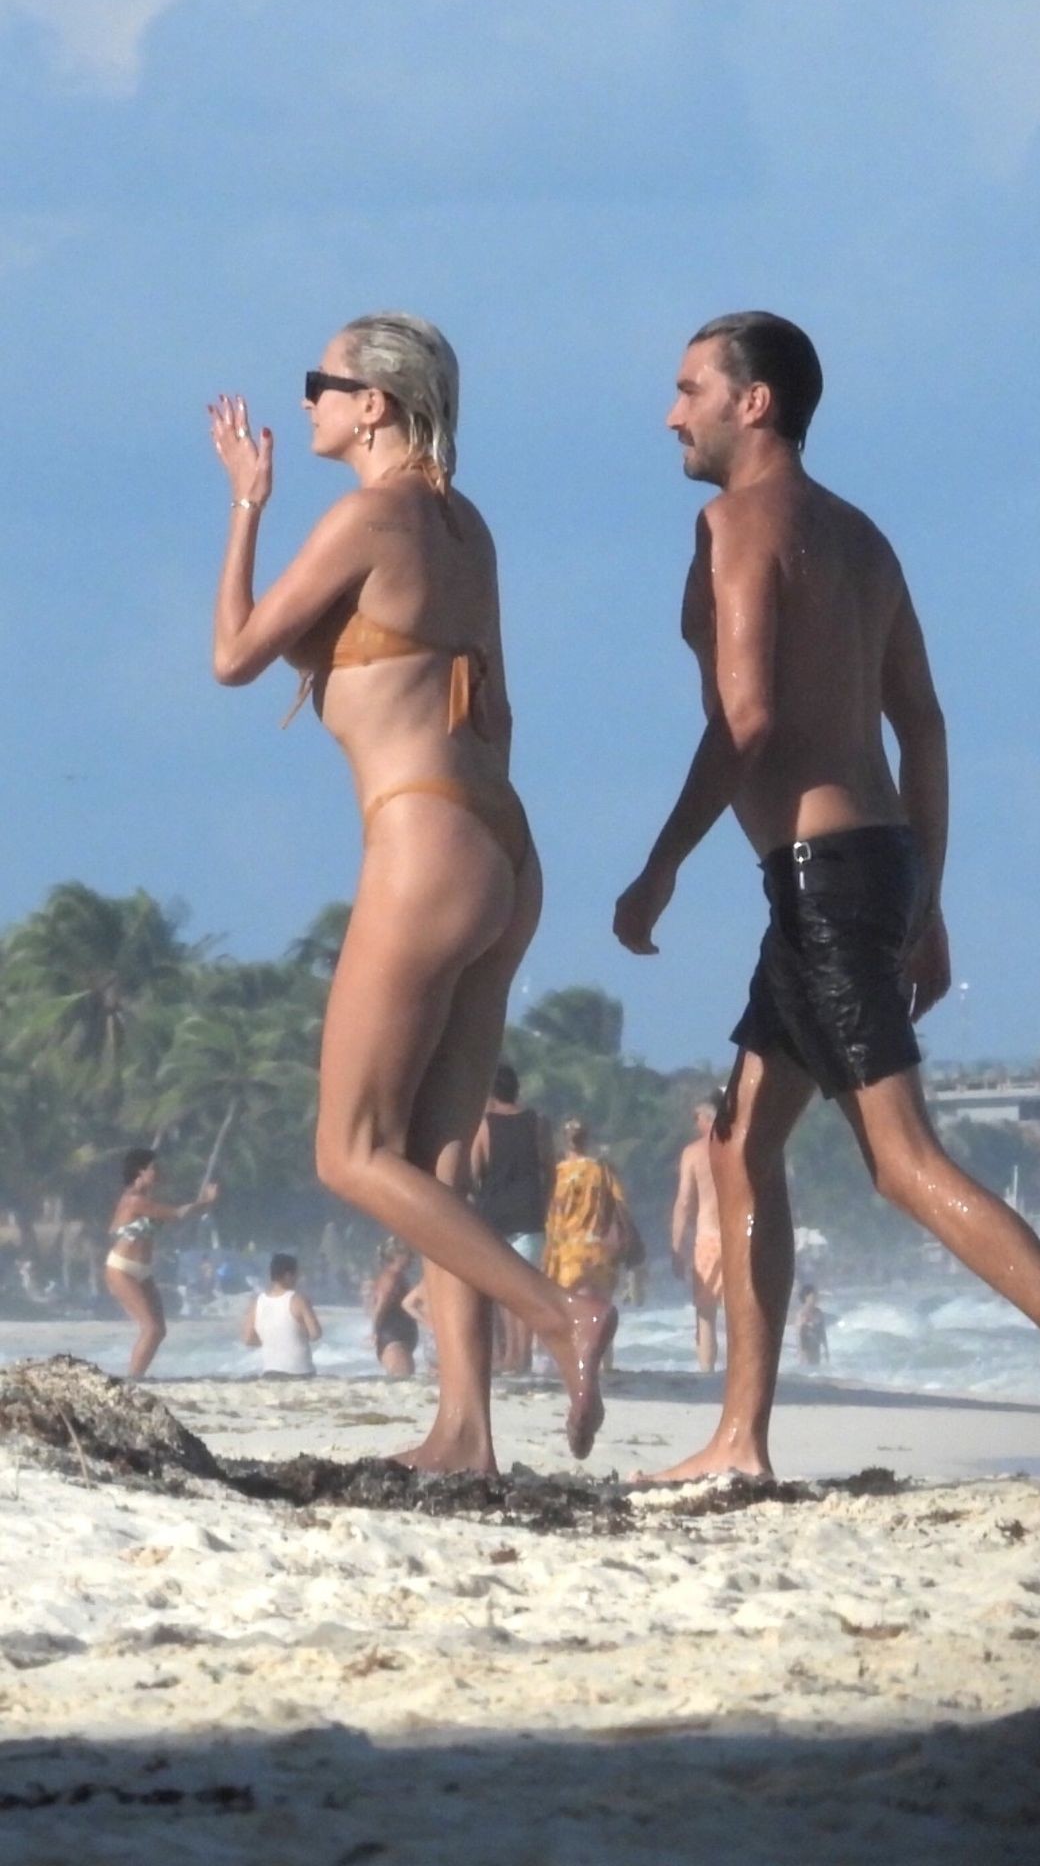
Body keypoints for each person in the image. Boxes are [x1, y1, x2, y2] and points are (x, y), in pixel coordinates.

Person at [614, 310, 1040, 1484]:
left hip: (822, 883)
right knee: (740, 1148)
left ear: (754, 402)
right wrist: (929, 894)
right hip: (862, 870)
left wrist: (661, 865)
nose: (670, 415)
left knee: (902, 1161)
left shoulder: (733, 526)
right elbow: (922, 725)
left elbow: (747, 719)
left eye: (689, 389)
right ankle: (740, 1438)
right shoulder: (862, 539)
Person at [207, 312, 616, 1468]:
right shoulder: (464, 527)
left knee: (350, 1152)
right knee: (438, 1165)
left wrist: (246, 505)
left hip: (424, 840)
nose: (308, 402)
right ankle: (465, 1429)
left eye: (322, 382)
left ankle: (562, 1315)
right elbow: (492, 704)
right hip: (503, 846)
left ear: (374, 404)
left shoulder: (366, 519)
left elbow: (233, 657)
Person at [103, 1148, 218, 1378]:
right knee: (151, 1328)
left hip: (142, 1271)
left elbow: (174, 1217)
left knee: (159, 1330)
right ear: (140, 1171)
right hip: (122, 1268)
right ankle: (132, 1380)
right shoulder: (133, 1200)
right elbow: (177, 1214)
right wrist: (206, 1202)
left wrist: (205, 1204)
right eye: (154, 1168)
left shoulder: (145, 1200)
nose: (159, 1172)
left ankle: (136, 1376)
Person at [471, 1062, 555, 1373]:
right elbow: (550, 1169)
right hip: (530, 1215)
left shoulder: (485, 1126)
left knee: (506, 1292)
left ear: (490, 1092)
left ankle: (512, 1357)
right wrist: (544, 1203)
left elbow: (475, 1171)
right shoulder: (538, 1123)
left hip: (496, 1217)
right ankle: (523, 1356)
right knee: (527, 1291)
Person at [543, 1120, 635, 1320]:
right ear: (586, 1140)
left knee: (575, 1321)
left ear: (564, 1141)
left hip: (567, 1258)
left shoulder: (556, 1175)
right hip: (599, 1253)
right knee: (601, 1319)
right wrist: (631, 1249)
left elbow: (550, 1218)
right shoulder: (601, 1170)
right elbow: (621, 1207)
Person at [670, 1096, 724, 1372]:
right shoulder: (739, 1147)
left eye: (696, 1118)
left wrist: (676, 1246)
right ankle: (743, 1377)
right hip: (739, 1238)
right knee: (740, 1314)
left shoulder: (693, 1153)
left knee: (706, 1314)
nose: (695, 1124)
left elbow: (684, 1202)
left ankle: (707, 1373)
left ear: (706, 1118)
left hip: (709, 1239)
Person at [243, 1252, 322, 1378]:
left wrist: (272, 1341)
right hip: (300, 1372)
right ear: (288, 1275)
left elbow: (248, 1339)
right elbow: (315, 1334)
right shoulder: (298, 1300)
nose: (299, 1278)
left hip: (270, 1372)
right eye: (297, 1274)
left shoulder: (257, 1302)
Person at [370, 1239, 422, 1380]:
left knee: (406, 1380)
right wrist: (374, 1331)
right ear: (397, 1256)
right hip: (393, 1337)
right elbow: (379, 1306)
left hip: (398, 1336)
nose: (412, 1258)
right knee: (403, 1380)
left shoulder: (398, 1277)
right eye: (409, 1254)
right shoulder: (390, 1278)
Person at [795, 1284, 829, 1368]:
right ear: (806, 1297)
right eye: (813, 1296)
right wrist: (801, 1352)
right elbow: (799, 1335)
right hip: (806, 1351)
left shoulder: (819, 1312)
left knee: (816, 1371)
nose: (816, 1298)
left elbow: (822, 1332)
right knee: (807, 1371)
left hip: (816, 1349)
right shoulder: (801, 1314)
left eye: (816, 1296)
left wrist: (826, 1349)